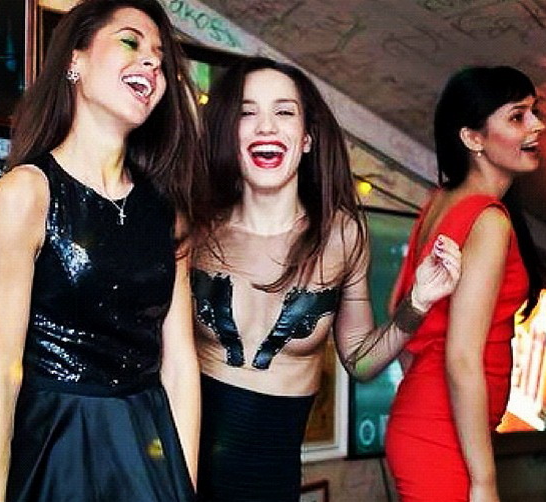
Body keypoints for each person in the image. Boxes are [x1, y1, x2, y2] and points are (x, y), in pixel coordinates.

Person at [0, 1, 202, 500]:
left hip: (145, 448)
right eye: (131, 41)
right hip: (55, 445)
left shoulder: (167, 210)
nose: (152, 63)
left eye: (160, 57)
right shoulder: (28, 191)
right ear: (76, 59)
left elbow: (180, 364)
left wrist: (183, 487)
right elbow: (1, 373)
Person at [192, 56, 462, 502]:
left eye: (283, 111)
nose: (266, 126)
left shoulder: (342, 235)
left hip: (273, 485)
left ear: (306, 138)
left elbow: (360, 362)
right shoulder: (195, 226)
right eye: (246, 112)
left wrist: (417, 304)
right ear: (228, 132)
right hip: (180, 474)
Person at [385, 66, 545, 502]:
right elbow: (461, 356)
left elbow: (399, 311)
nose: (537, 126)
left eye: (534, 112)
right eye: (518, 117)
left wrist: (422, 393)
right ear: (473, 138)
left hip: (431, 423)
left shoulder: (441, 201)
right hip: (441, 435)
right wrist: (484, 481)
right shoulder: (487, 220)